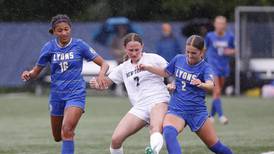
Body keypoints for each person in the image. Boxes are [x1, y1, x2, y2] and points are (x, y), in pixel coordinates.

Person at [21, 14, 109, 154]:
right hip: (56, 95)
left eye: (66, 29)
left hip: (76, 94)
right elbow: (36, 71)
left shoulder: (79, 45)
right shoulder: (49, 47)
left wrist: (101, 75)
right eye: (60, 30)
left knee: (67, 130)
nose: (64, 33)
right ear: (54, 32)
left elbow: (104, 63)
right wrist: (29, 74)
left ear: (71, 29)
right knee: (58, 137)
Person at [139, 35, 233, 154]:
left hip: (197, 112)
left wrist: (202, 84)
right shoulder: (178, 59)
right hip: (177, 109)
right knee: (169, 133)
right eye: (187, 51)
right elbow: (165, 72)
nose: (189, 55)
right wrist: (147, 68)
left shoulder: (205, 67)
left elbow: (211, 85)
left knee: (216, 147)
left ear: (202, 52)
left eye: (193, 53)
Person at [90, 33, 170, 154]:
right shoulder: (123, 67)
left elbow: (168, 72)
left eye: (137, 50)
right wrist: (96, 84)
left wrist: (148, 68)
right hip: (140, 107)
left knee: (155, 128)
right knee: (116, 140)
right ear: (124, 48)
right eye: (130, 50)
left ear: (142, 46)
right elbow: (106, 83)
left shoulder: (153, 58)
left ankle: (153, 151)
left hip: (158, 100)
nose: (133, 53)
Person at [205, 16, 235, 124]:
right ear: (215, 24)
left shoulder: (230, 36)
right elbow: (204, 49)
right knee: (216, 90)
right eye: (218, 23)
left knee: (217, 93)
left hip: (224, 67)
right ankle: (222, 116)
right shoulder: (210, 36)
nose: (220, 26)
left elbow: (234, 50)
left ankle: (211, 116)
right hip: (213, 66)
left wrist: (230, 52)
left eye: (222, 23)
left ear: (225, 25)